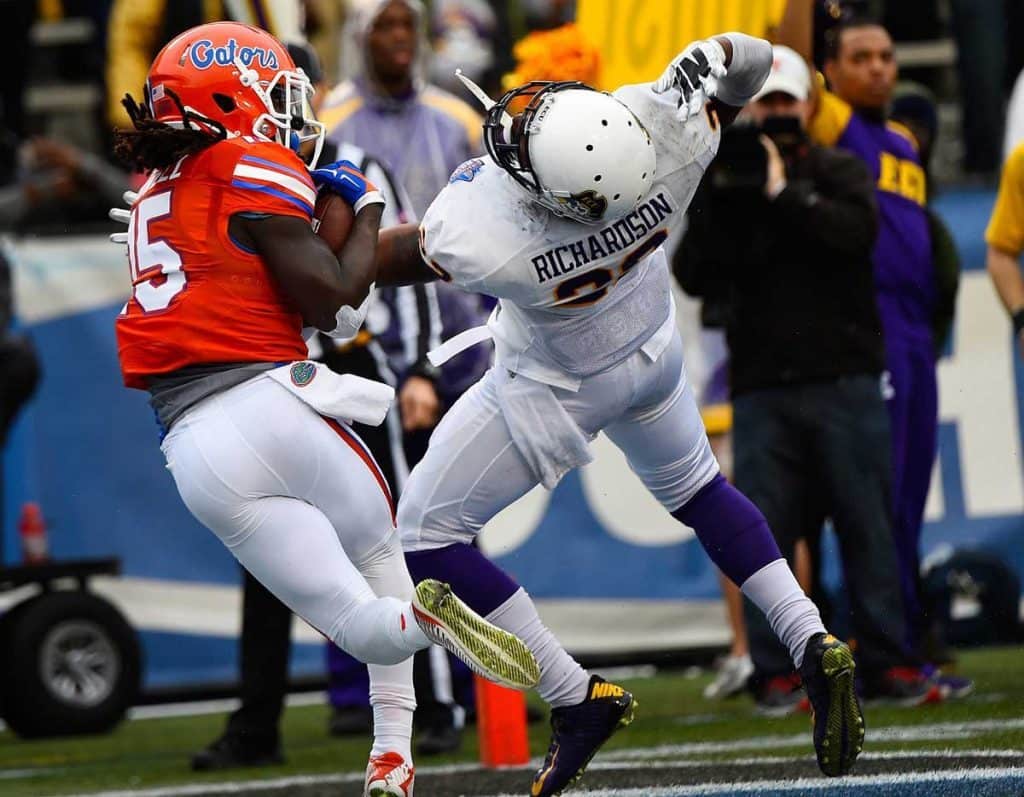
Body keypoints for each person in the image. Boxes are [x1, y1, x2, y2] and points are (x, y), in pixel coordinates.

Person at [369, 32, 867, 794]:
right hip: (651, 345)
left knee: (425, 535)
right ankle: (807, 635)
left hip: (557, 382)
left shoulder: (489, 234)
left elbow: (380, 258)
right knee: (702, 491)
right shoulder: (665, 141)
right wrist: (723, 55)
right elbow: (754, 68)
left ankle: (574, 695)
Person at [109, 22, 538, 796]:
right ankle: (434, 634)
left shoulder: (151, 195)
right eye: (275, 98)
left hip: (194, 453)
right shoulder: (248, 163)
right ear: (228, 102)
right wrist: (366, 207)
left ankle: (391, 757)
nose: (289, 116)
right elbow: (340, 302)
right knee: (382, 556)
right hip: (269, 404)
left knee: (361, 620)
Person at [678, 45, 936, 711]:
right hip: (763, 385)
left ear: (808, 108)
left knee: (867, 525)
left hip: (845, 378)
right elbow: (693, 274)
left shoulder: (843, 170)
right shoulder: (725, 183)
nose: (778, 117)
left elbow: (854, 238)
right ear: (750, 112)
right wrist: (731, 201)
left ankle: (887, 659)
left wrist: (780, 193)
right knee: (766, 532)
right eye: (767, 106)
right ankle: (776, 669)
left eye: (787, 104)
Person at [776, 3, 964, 697]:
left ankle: (905, 638)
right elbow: (792, 64)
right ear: (832, 70)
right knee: (874, 498)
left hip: (915, 336)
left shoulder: (905, 145)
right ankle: (874, 642)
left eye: (886, 56)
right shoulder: (834, 125)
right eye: (861, 57)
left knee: (910, 492)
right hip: (871, 333)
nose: (879, 67)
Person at [318, 0, 490, 750]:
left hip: (450, 339)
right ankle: (359, 688)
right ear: (359, 36)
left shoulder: (456, 117)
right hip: (364, 350)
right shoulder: (332, 119)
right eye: (381, 25)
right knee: (354, 524)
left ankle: (475, 678)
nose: (396, 39)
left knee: (447, 520)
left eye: (405, 25)